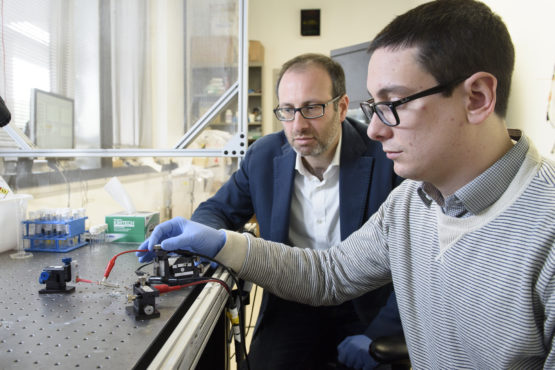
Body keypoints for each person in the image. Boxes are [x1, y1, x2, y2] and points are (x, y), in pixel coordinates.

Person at [138, 0, 554, 368]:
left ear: (477, 97)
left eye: (392, 105)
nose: (373, 129)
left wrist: (376, 337)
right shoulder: (413, 201)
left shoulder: (544, 232)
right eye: (373, 106)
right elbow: (329, 274)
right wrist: (220, 241)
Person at [140, 53, 403, 369]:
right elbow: (217, 210)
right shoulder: (263, 156)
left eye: (312, 108)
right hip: (291, 300)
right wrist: (201, 235)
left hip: (366, 306)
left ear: (342, 107)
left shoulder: (387, 156)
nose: (298, 125)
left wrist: (385, 331)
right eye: (288, 110)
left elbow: (413, 262)